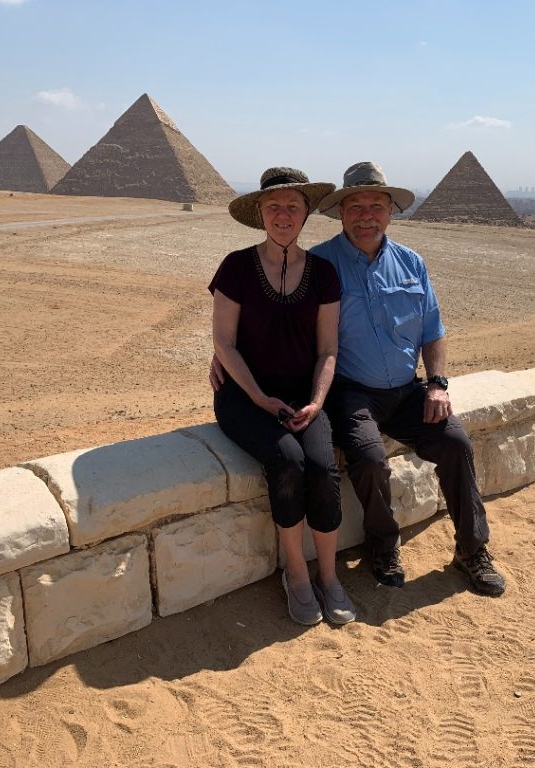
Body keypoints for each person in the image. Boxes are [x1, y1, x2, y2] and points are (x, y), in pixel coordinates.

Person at [310, 161, 506, 596]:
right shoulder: (320, 264)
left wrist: (437, 383)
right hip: (351, 391)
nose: (366, 214)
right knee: (368, 457)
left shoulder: (411, 263)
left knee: (456, 444)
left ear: (390, 211)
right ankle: (384, 545)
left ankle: (472, 550)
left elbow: (432, 330)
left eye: (375, 205)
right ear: (341, 213)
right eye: (355, 205)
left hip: (406, 389)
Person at [210, 167, 356, 625]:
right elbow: (224, 344)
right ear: (260, 213)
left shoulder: (324, 274)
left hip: (303, 396)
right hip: (244, 397)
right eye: (273, 206)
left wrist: (316, 401)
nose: (283, 214)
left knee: (321, 465)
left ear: (307, 212)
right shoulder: (235, 267)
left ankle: (329, 577)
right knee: (287, 462)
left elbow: (328, 349)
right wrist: (256, 396)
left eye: (293, 205)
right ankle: (296, 573)